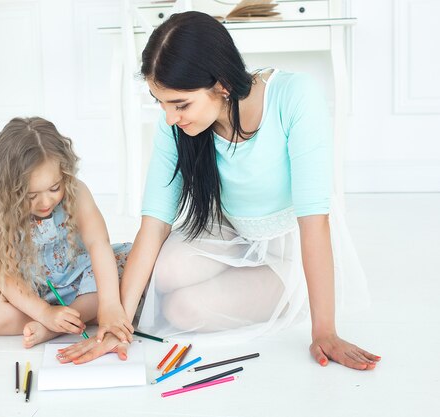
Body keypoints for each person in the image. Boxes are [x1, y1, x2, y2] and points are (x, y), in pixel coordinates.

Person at [55, 11, 381, 370]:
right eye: (159, 102)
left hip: (287, 252)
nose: (169, 118)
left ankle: (281, 296)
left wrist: (325, 332)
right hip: (231, 230)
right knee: (166, 273)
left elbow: (313, 221)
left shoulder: (295, 97)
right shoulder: (177, 122)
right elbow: (155, 223)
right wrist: (117, 326)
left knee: (182, 309)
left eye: (180, 104)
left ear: (222, 85)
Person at [0, 117, 133, 348]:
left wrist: (110, 304)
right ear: (7, 191)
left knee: (110, 284)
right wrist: (44, 313)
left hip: (81, 282)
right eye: (30, 196)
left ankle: (54, 329)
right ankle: (66, 320)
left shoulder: (77, 192)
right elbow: (6, 275)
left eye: (54, 188)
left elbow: (98, 244)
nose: (45, 201)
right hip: (33, 291)